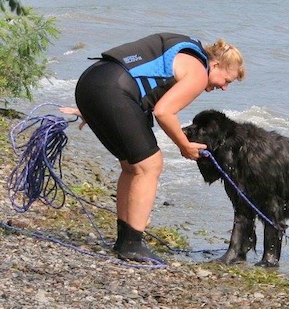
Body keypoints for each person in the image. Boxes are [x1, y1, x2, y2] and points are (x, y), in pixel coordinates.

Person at [60, 32, 245, 263]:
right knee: (150, 165)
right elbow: (163, 112)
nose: (225, 88)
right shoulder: (198, 71)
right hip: (112, 90)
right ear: (215, 64)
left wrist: (98, 108)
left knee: (132, 165)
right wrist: (184, 145)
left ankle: (125, 240)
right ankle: (132, 245)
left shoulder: (185, 51)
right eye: (227, 80)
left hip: (93, 81)